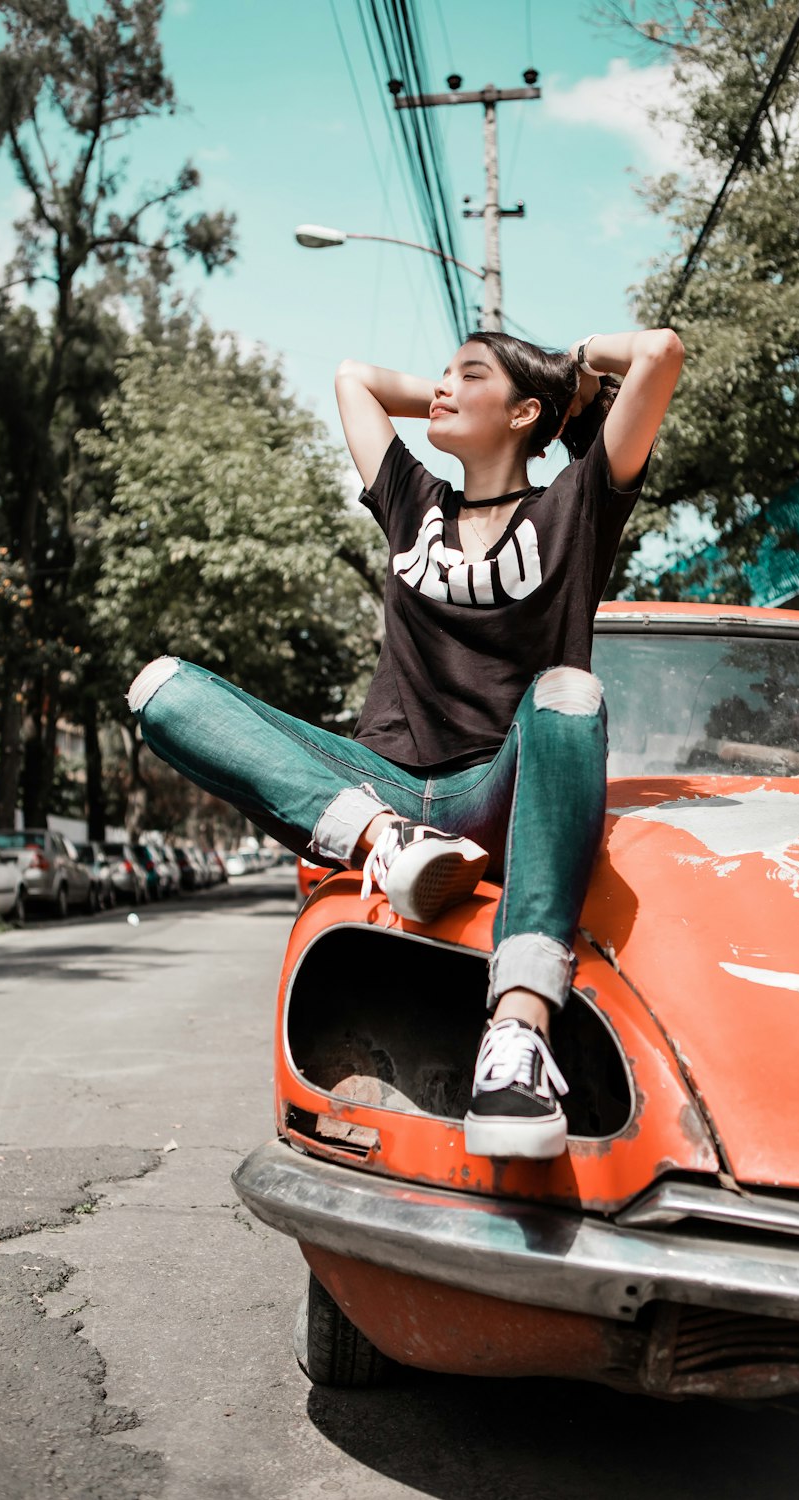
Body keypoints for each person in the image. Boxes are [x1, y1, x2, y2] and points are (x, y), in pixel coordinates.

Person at [126, 327, 684, 1160]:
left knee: (570, 692)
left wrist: (570, 367)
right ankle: (388, 846)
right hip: (380, 789)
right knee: (162, 688)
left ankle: (518, 1036)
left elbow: (661, 354)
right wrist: (465, 392)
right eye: (442, 377)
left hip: (492, 790)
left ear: (527, 411)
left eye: (471, 377)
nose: (442, 391)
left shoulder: (576, 502)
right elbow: (352, 378)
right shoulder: (414, 501)